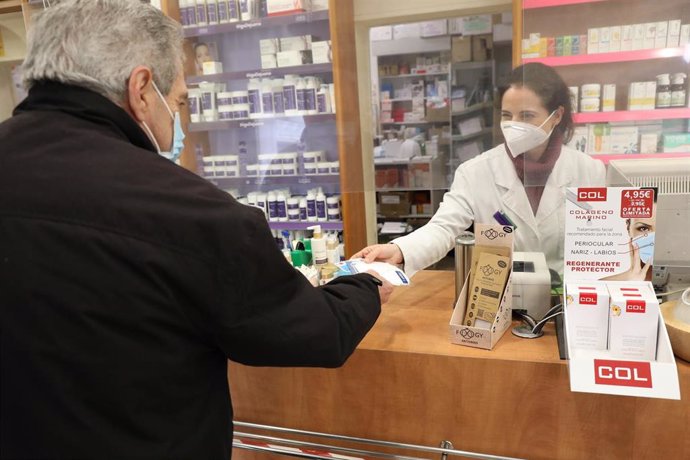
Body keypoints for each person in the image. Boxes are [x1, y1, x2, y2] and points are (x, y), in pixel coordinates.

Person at [0, 1, 391, 458]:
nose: (178, 121)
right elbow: (314, 332)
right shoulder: (187, 212)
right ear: (142, 90)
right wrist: (363, 287)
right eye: (180, 101)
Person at [353, 63, 606, 279]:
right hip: (504, 296)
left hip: (566, 301)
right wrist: (400, 250)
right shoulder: (475, 172)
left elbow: (602, 245)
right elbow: (443, 228)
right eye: (507, 115)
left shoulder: (590, 172)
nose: (514, 125)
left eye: (527, 115)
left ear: (556, 116)